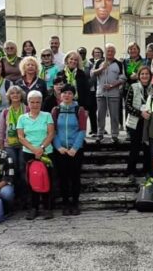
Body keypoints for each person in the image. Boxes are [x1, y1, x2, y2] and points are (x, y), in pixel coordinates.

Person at [16, 90, 57, 219]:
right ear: (28, 103)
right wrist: (34, 149)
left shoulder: (47, 116)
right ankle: (33, 208)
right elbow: (21, 137)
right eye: (32, 102)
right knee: (31, 181)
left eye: (37, 102)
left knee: (47, 180)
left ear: (41, 103)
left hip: (46, 152)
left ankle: (47, 208)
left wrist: (41, 148)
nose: (35, 105)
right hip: (29, 153)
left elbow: (51, 133)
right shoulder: (22, 118)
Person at [51, 84, 87, 215]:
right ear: (60, 95)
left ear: (74, 95)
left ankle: (75, 203)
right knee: (63, 178)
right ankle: (65, 203)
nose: (67, 95)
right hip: (61, 150)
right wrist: (58, 146)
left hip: (75, 150)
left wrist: (75, 148)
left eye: (70, 93)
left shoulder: (79, 110)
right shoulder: (56, 110)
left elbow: (82, 130)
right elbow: (52, 131)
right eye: (64, 93)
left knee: (75, 177)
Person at [93, 44, 126, 143]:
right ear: (105, 52)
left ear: (114, 52)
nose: (110, 53)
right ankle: (100, 134)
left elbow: (123, 78)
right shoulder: (99, 62)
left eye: (112, 51)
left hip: (114, 93)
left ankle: (115, 135)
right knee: (100, 115)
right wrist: (102, 68)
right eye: (108, 51)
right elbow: (92, 73)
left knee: (114, 115)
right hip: (101, 93)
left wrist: (112, 85)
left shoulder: (119, 64)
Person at [125, 67, 153, 176]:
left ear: (150, 76)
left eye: (147, 74)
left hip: (148, 123)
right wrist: (140, 113)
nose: (144, 76)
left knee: (147, 148)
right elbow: (127, 106)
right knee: (135, 148)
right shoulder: (133, 87)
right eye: (142, 74)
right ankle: (130, 171)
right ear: (138, 76)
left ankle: (146, 170)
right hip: (135, 122)